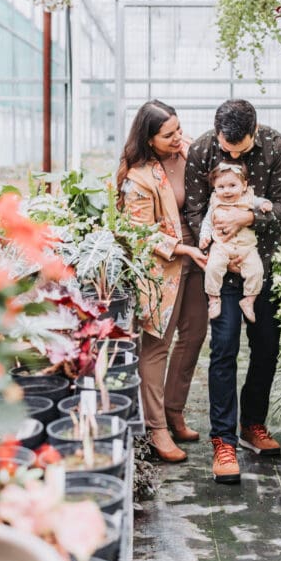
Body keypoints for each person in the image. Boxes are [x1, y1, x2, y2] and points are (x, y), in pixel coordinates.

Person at [185, 99, 281, 485]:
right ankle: (223, 440)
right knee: (224, 347)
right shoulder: (201, 149)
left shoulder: (277, 145)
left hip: (262, 263)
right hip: (220, 265)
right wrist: (219, 243)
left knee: (267, 346)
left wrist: (249, 216)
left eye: (240, 149)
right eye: (226, 147)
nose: (231, 153)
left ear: (255, 130)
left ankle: (253, 425)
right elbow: (194, 210)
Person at [117, 100, 208, 463]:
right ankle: (155, 428)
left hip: (198, 256)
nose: (177, 138)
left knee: (196, 333)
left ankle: (174, 411)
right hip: (163, 267)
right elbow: (136, 232)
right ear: (149, 138)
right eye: (168, 134)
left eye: (179, 130)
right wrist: (181, 249)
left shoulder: (189, 156)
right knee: (157, 344)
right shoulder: (138, 176)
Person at [199, 161, 272, 323]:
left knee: (257, 270)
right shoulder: (215, 202)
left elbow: (261, 201)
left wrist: (266, 204)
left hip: (247, 248)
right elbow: (207, 222)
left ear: (244, 185)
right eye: (221, 187)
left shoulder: (249, 198)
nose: (227, 191)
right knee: (212, 267)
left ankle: (249, 300)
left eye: (233, 185)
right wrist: (204, 237)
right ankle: (213, 299)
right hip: (221, 246)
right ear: (215, 188)